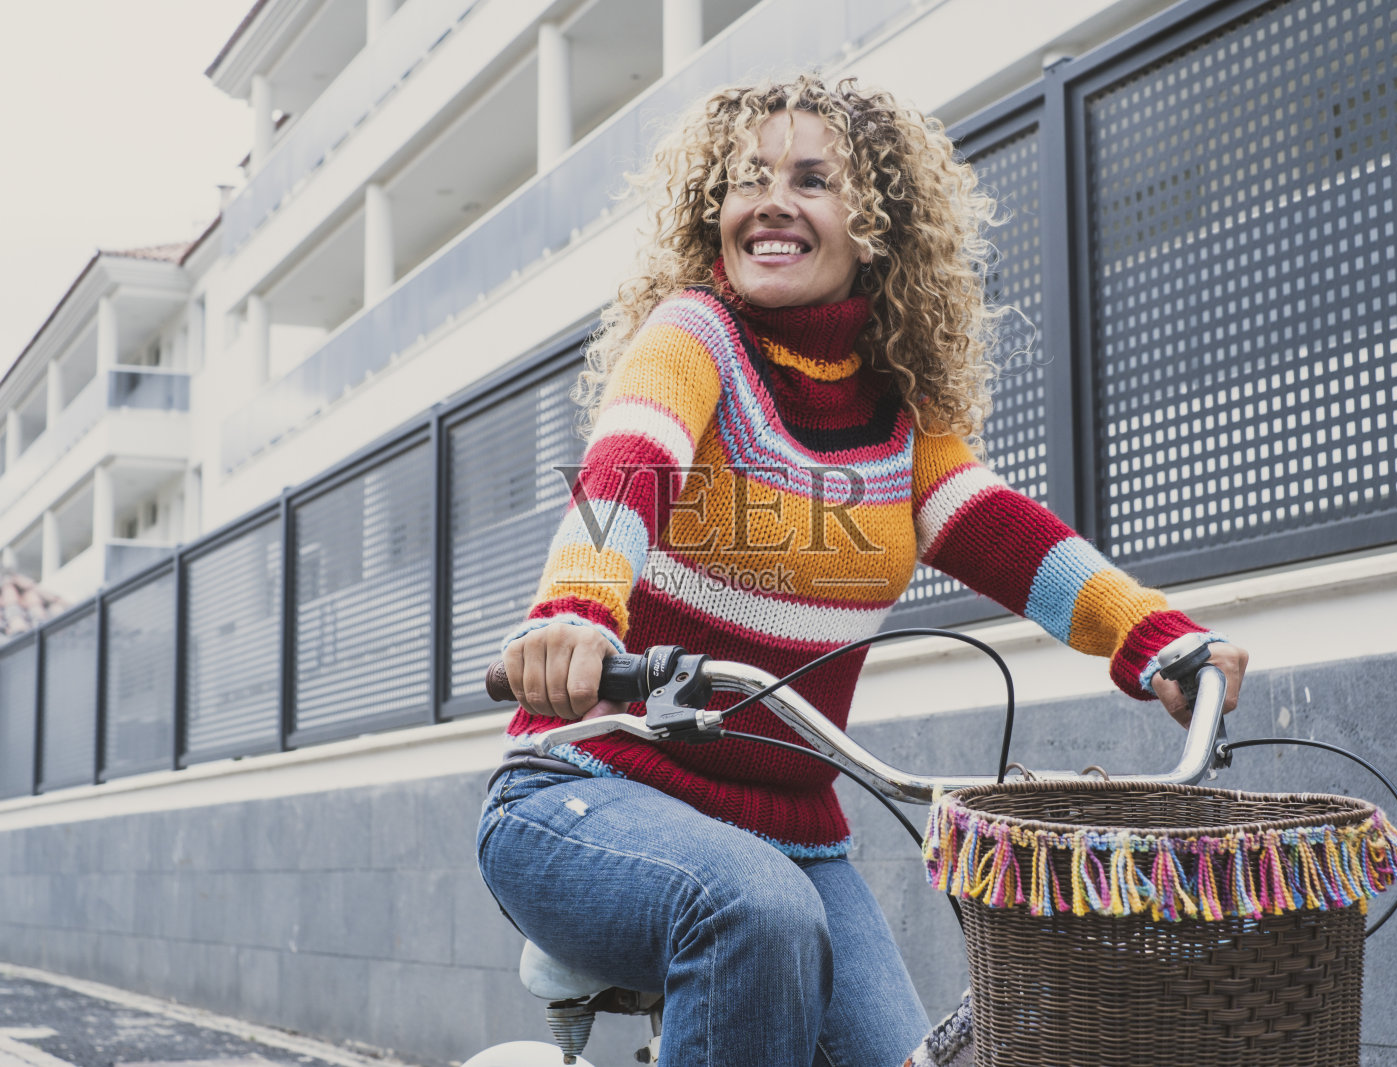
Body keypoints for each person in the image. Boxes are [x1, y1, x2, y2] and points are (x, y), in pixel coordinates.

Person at [476, 73, 1249, 1067]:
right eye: (746, 178)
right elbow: (630, 459)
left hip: (789, 832)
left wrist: (1160, 640)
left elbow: (1016, 540)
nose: (771, 202)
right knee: (751, 913)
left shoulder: (897, 423)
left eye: (812, 179)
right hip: (580, 789)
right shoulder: (693, 336)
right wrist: (577, 608)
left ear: (875, 221)